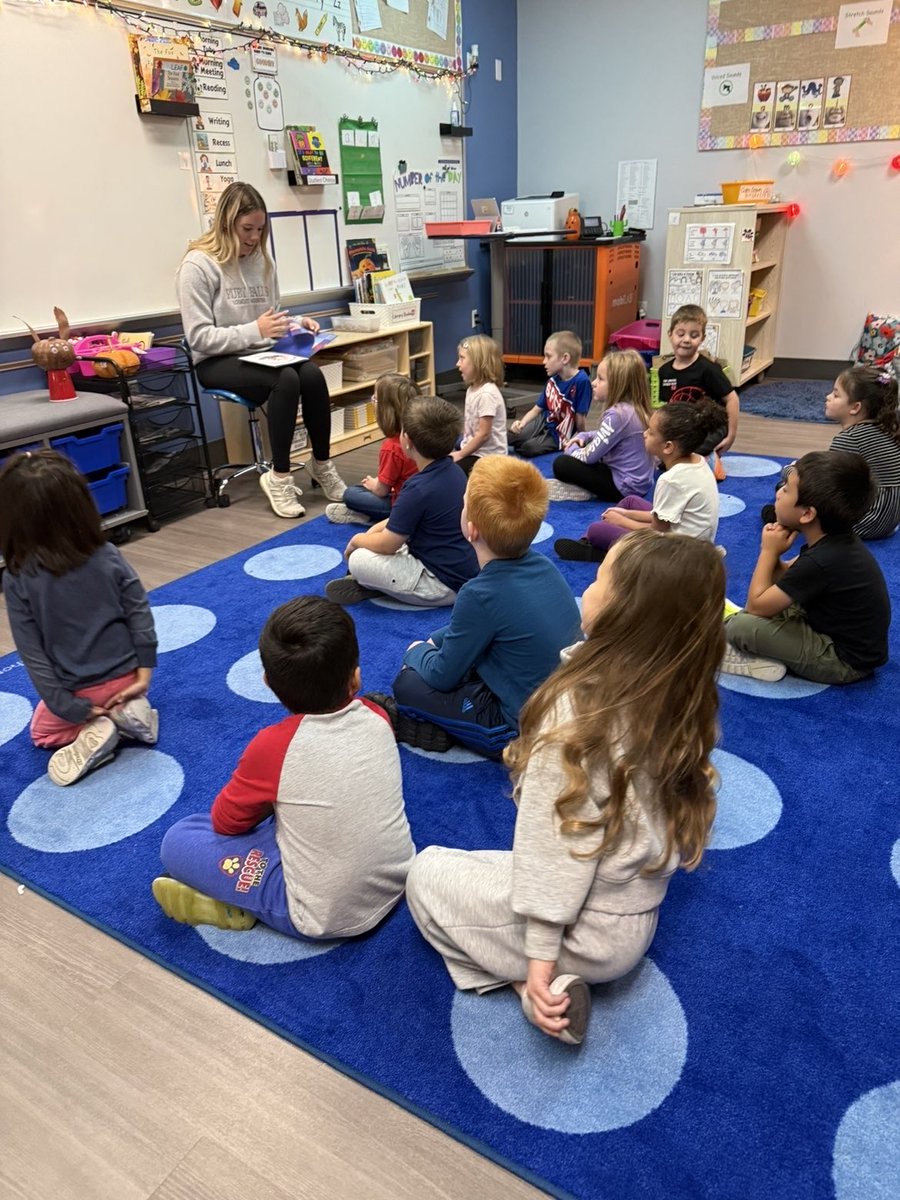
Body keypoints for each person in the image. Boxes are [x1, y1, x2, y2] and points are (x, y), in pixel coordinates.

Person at [406, 533, 725, 1045]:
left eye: (600, 579)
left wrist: (539, 957)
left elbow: (557, 845)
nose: (587, 587)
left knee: (426, 872)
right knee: (487, 866)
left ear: (625, 612)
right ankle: (545, 968)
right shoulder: (677, 691)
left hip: (583, 933)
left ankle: (534, 993)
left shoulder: (578, 712)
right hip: (633, 918)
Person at [152, 596, 415, 937]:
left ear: (267, 683)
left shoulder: (273, 747)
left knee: (179, 839)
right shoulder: (378, 715)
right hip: (401, 874)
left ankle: (236, 904)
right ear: (356, 678)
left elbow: (226, 822)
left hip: (322, 915)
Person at [374, 456, 581, 758]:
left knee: (408, 683)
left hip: (519, 730)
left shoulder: (478, 594)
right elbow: (482, 622)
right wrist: (439, 639)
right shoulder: (544, 564)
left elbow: (441, 675)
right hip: (559, 705)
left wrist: (417, 649)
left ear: (471, 530)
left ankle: (433, 730)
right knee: (466, 654)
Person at [176, 180, 346, 519]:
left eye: (259, 229)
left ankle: (322, 464)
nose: (254, 238)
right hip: (216, 361)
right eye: (247, 229)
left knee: (311, 375)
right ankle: (279, 476)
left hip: (261, 353)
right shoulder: (197, 267)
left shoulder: (262, 261)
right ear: (226, 223)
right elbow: (199, 338)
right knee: (286, 378)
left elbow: (270, 317)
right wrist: (255, 330)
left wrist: (296, 323)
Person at [0, 451, 159, 787]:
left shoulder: (18, 578)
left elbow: (32, 655)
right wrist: (144, 672)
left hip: (78, 691)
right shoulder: (108, 555)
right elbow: (138, 610)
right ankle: (129, 710)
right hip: (127, 678)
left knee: (40, 734)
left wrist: (71, 709)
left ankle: (98, 728)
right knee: (121, 696)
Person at [721, 451, 891, 684]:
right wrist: (777, 557)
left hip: (842, 661)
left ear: (807, 514)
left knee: (741, 626)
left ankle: (746, 657)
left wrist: (768, 551)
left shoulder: (823, 559)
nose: (778, 493)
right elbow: (788, 578)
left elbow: (756, 606)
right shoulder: (835, 540)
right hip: (830, 631)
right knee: (772, 610)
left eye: (787, 490)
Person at [325, 397, 478, 607]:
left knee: (359, 558)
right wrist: (372, 532)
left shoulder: (417, 488)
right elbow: (400, 521)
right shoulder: (455, 471)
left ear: (407, 441)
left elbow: (388, 545)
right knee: (384, 541)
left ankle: (377, 585)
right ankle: (380, 584)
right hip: (461, 572)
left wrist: (357, 539)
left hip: (439, 585)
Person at [555, 400, 724, 561]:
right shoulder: (698, 460)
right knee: (629, 502)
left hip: (677, 553)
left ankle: (599, 546)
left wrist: (621, 521)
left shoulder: (671, 480)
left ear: (668, 447)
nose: (644, 434)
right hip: (689, 539)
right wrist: (625, 513)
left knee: (596, 529)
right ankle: (596, 542)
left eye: (650, 432)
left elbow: (658, 532)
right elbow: (663, 518)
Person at [762, 367, 900, 540]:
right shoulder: (887, 428)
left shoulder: (850, 438)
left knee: (787, 491)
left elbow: (824, 485)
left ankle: (786, 521)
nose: (827, 397)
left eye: (835, 395)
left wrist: (790, 472)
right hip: (890, 519)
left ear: (855, 407)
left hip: (866, 522)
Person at [550, 348, 655, 502]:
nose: (593, 383)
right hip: (641, 484)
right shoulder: (635, 408)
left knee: (562, 464)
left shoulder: (617, 415)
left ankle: (587, 490)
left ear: (618, 384)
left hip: (623, 489)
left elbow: (589, 457)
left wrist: (571, 449)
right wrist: (584, 435)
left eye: (600, 379)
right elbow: (605, 434)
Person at [655, 305, 740, 476]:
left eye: (694, 335)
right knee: (662, 451)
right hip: (684, 428)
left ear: (702, 338)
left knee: (682, 454)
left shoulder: (709, 369)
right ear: (670, 334)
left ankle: (709, 461)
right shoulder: (664, 371)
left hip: (710, 427)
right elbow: (667, 408)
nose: (686, 340)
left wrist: (730, 435)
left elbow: (732, 399)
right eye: (681, 334)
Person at [325, 372, 420, 525]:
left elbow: (382, 491)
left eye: (375, 399)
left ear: (387, 410)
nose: (372, 402)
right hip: (425, 498)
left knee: (351, 493)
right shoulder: (424, 433)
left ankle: (369, 517)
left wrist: (373, 484)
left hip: (404, 506)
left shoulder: (392, 447)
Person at [508, 330, 591, 457]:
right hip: (544, 420)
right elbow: (537, 410)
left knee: (528, 448)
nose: (543, 361)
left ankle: (537, 441)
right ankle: (531, 437)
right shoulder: (552, 380)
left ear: (565, 358)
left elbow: (580, 419)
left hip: (558, 433)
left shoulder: (581, 382)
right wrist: (522, 423)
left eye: (548, 356)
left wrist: (583, 440)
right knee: (511, 436)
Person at [450, 334, 508, 475]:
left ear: (478, 363)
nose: (457, 364)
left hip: (488, 457)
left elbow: (483, 435)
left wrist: (461, 454)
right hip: (474, 447)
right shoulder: (472, 388)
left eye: (462, 358)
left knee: (453, 471)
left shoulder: (486, 394)